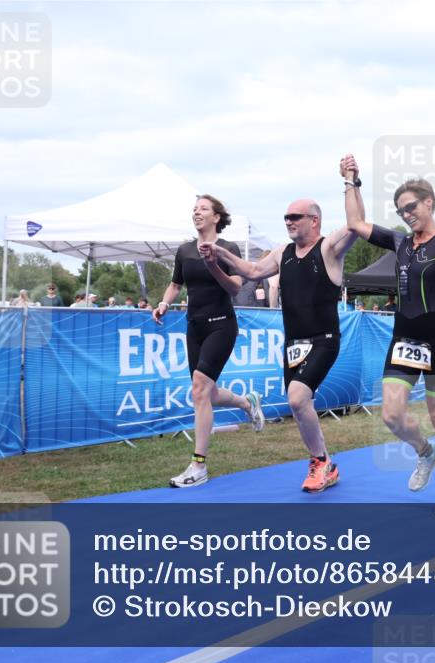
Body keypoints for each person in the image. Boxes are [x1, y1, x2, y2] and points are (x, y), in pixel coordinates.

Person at [199, 190, 359, 493]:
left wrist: (352, 183)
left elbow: (355, 225)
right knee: (300, 406)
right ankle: (326, 463)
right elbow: (253, 270)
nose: (288, 221)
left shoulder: (328, 249)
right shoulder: (282, 252)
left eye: (295, 217)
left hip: (324, 339)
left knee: (297, 398)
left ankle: (319, 462)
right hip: (294, 343)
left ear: (314, 220)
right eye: (285, 217)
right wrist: (220, 253)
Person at [342, 153, 435, 516]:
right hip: (404, 339)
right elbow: (355, 222)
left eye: (411, 206)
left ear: (429, 202)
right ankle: (425, 453)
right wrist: (351, 180)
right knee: (392, 415)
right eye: (400, 210)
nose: (406, 214)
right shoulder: (400, 242)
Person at [152, 195, 265, 488]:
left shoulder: (227, 248)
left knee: (200, 389)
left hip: (221, 325)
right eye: (194, 209)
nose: (197, 212)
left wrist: (213, 263)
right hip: (195, 327)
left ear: (216, 217)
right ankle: (246, 402)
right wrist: (164, 303)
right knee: (207, 393)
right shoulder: (184, 250)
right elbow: (176, 284)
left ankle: (198, 465)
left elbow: (234, 288)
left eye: (203, 208)